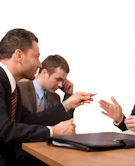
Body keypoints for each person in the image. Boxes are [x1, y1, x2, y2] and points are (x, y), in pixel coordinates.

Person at [0, 28, 94, 166]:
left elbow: (29, 120)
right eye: (36, 56)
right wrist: (52, 131)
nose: (39, 64)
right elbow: (3, 130)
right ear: (19, 56)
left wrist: (67, 104)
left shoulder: (12, 87)